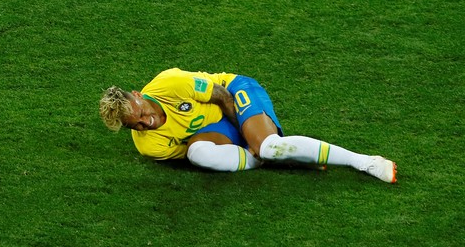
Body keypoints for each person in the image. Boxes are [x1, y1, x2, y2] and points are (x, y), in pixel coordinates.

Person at [99, 68, 397, 182]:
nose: (144, 122)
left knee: (269, 146)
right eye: (133, 126)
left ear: (138, 96)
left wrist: (250, 137)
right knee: (197, 154)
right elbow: (198, 150)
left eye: (140, 113)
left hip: (234, 93)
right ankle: (281, 160)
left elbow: (224, 97)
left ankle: (365, 162)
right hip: (217, 128)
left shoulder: (170, 84)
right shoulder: (150, 146)